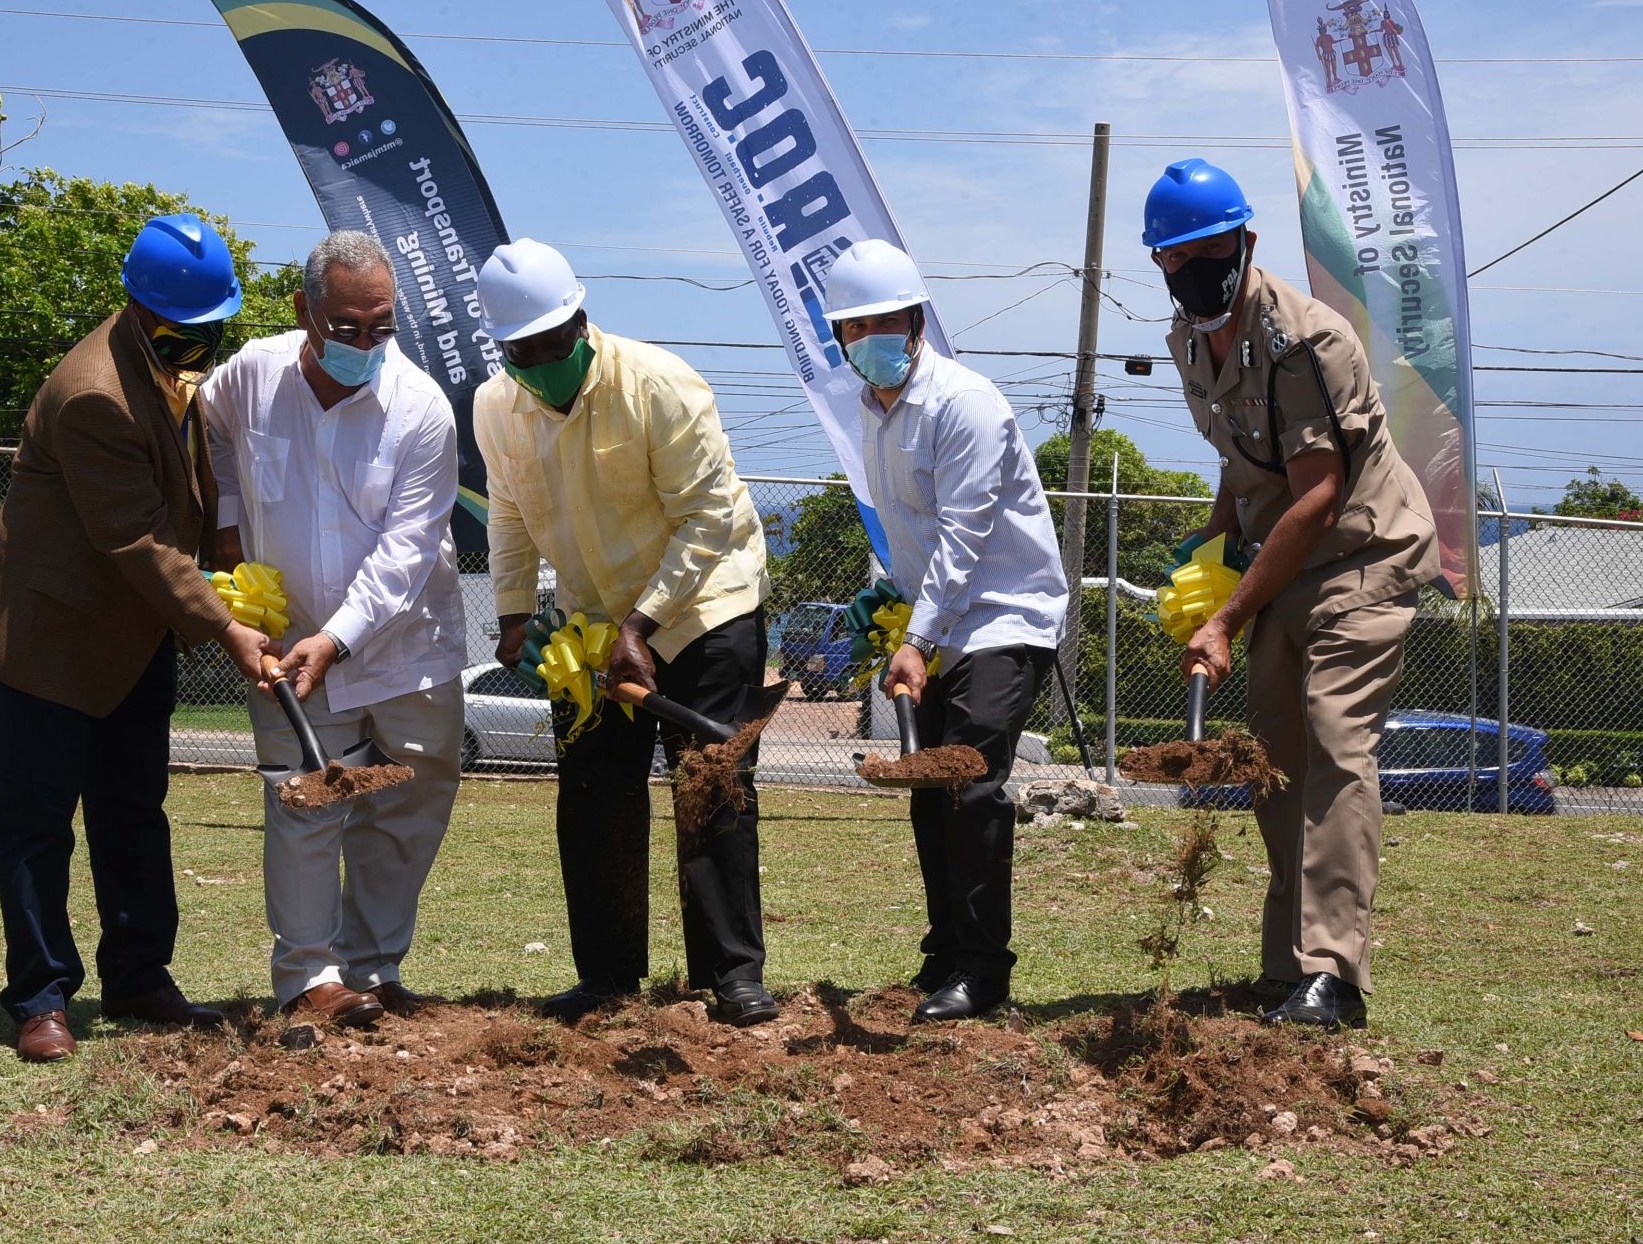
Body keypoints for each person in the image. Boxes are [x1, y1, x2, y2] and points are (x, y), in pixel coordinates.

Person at [0, 212, 277, 1062]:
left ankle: (140, 975)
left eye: (218, 328)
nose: (207, 344)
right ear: (142, 314)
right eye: (193, 331)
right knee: (36, 828)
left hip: (133, 637)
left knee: (134, 812)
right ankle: (40, 996)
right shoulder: (92, 394)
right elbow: (135, 534)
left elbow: (189, 481)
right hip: (49, 640)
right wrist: (227, 628)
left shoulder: (173, 368)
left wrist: (226, 541)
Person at [1143, 158, 1440, 1029]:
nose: (1192, 268)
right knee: (1275, 761)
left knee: (1334, 740)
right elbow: (1242, 466)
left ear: (1245, 242)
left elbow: (1317, 492)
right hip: (1280, 561)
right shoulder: (1190, 341)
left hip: (1360, 553)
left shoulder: (1311, 341)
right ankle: (1288, 968)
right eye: (1173, 255)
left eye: (1208, 249)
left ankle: (1334, 973)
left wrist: (1232, 615)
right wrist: (1206, 565)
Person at [471, 238, 776, 1027]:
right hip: (596, 619)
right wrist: (511, 613)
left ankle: (731, 974)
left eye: (551, 345)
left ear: (581, 322)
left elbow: (707, 518)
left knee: (712, 784)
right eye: (521, 352)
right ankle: (607, 975)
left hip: (707, 605)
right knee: (594, 790)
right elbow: (507, 511)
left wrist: (645, 623)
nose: (540, 365)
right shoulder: (497, 405)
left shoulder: (658, 385)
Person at [198, 231, 468, 1029]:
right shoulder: (250, 375)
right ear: (303, 311)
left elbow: (405, 550)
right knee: (307, 801)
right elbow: (205, 433)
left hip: (405, 645)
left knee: (405, 804)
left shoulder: (420, 409)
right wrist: (226, 524)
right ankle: (308, 978)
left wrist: (340, 637)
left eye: (380, 326)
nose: (364, 344)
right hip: (291, 649)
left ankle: (373, 968)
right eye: (345, 326)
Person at [822, 240, 1069, 1022]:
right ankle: (946, 951)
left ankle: (984, 969)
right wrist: (890, 599)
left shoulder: (967, 404)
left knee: (969, 780)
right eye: (851, 329)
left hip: (1004, 615)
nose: (867, 341)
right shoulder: (871, 414)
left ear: (916, 318)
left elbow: (963, 539)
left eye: (880, 322)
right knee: (932, 790)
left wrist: (916, 639)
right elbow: (911, 534)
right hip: (937, 624)